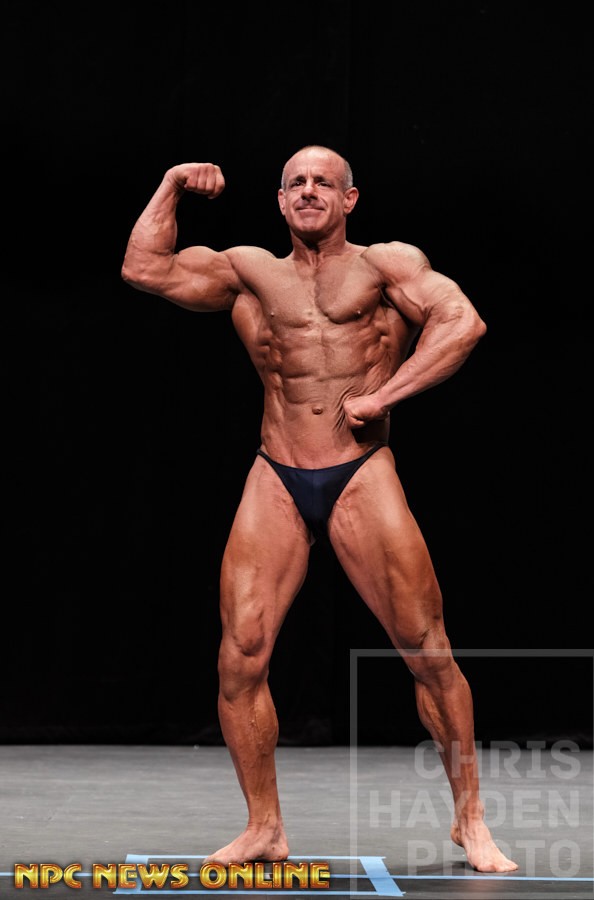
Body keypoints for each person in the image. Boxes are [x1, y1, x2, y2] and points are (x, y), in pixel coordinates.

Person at [121, 145, 518, 873]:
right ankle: (264, 827)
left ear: (349, 199)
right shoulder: (249, 271)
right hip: (276, 471)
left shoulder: (386, 266)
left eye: (323, 183)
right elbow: (144, 267)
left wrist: (383, 396)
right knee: (240, 655)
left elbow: (463, 323)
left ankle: (471, 821)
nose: (308, 191)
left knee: (427, 651)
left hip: (360, 469)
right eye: (296, 183)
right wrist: (172, 184)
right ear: (280, 201)